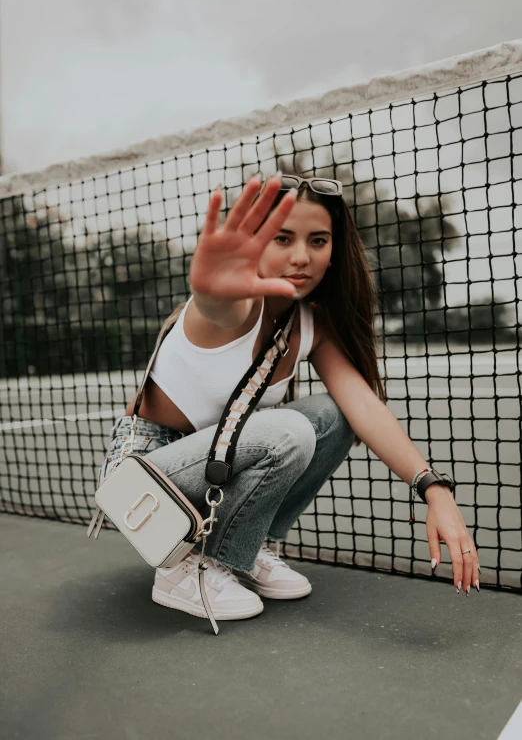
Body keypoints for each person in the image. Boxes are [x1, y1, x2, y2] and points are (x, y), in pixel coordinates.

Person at [97, 171, 480, 624]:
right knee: (290, 431)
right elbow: (216, 306)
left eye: (318, 241)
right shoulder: (233, 308)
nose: (302, 257)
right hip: (144, 480)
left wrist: (433, 488)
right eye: (282, 238)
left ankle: (244, 544)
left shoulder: (311, 324)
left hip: (213, 461)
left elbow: (364, 409)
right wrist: (207, 291)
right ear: (255, 242)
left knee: (334, 416)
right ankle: (196, 570)